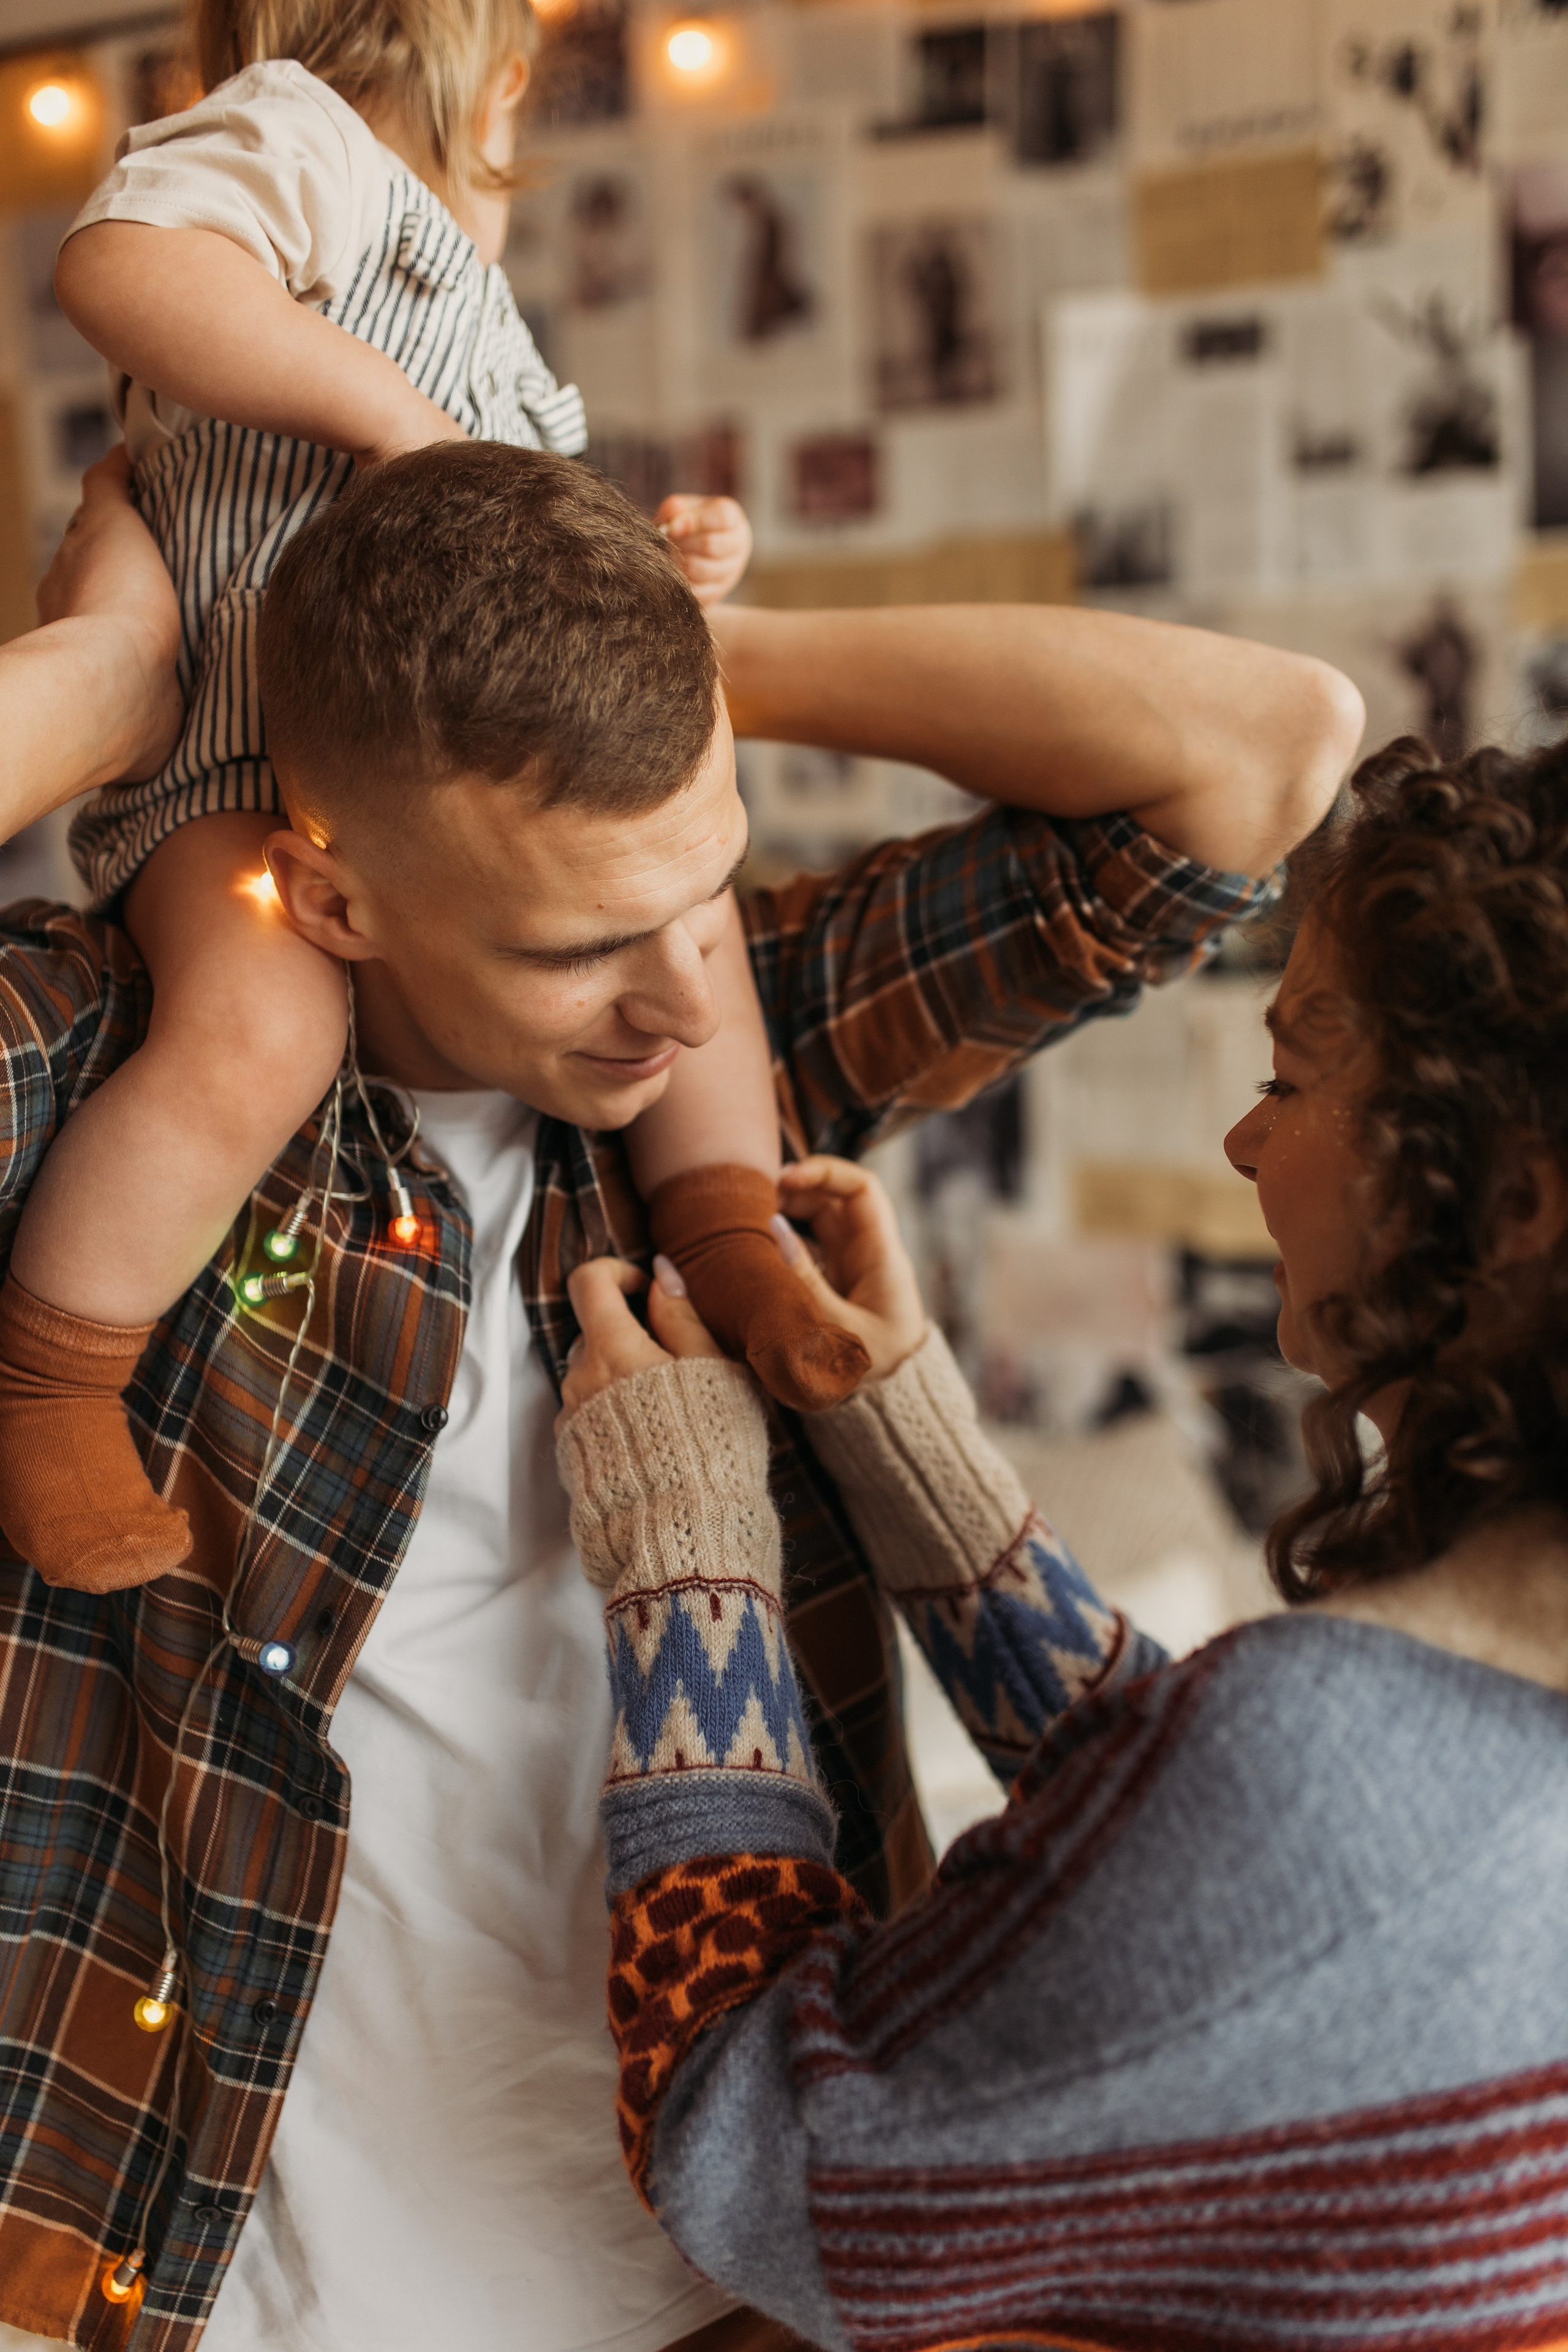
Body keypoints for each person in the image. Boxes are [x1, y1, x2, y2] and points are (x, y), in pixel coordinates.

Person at [0, 440, 1359, 2350]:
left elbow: (1269, 752)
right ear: (331, 895)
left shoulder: (735, 1055)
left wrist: (706, 657)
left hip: (745, 2277)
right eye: (576, 945)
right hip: (210, 2279)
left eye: (702, 891)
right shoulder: (98, 1095)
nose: (685, 1006)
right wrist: (110, 678)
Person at [554, 727, 1568, 2350]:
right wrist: (910, 1448)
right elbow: (1192, 1892)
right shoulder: (1442, 1741)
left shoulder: (1326, 1780)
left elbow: (759, 2166)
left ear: (1513, 1203)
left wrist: (688, 1549)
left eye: (1292, 1079)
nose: (1245, 1143)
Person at [0, 0, 858, 1607]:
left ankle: (731, 1230)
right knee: (261, 1032)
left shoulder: (490, 330)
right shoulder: (297, 133)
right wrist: (397, 431)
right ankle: (54, 1375)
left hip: (424, 792)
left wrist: (667, 559)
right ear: (498, 84)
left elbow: (521, 577)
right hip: (230, 769)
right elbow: (120, 269)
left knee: (703, 934)